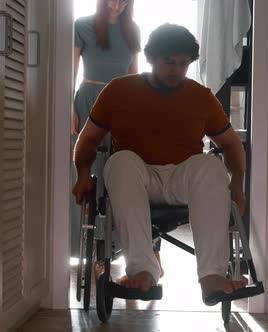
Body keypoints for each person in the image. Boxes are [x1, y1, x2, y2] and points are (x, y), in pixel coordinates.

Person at [72, 23, 247, 304]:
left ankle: (212, 276)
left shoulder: (201, 96)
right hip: (137, 175)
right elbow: (88, 139)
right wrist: (82, 174)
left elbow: (231, 145)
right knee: (120, 161)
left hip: (183, 175)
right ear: (151, 57)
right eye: (169, 62)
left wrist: (237, 185)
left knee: (211, 165)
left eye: (183, 64)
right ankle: (143, 270)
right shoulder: (119, 90)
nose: (176, 70)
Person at [70, 0, 164, 276]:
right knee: (92, 175)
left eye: (124, 1)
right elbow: (70, 71)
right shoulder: (82, 26)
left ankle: (142, 252)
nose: (116, 5)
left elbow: (134, 75)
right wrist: (69, 109)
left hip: (123, 105)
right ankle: (95, 251)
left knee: (125, 173)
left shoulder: (132, 29)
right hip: (88, 100)